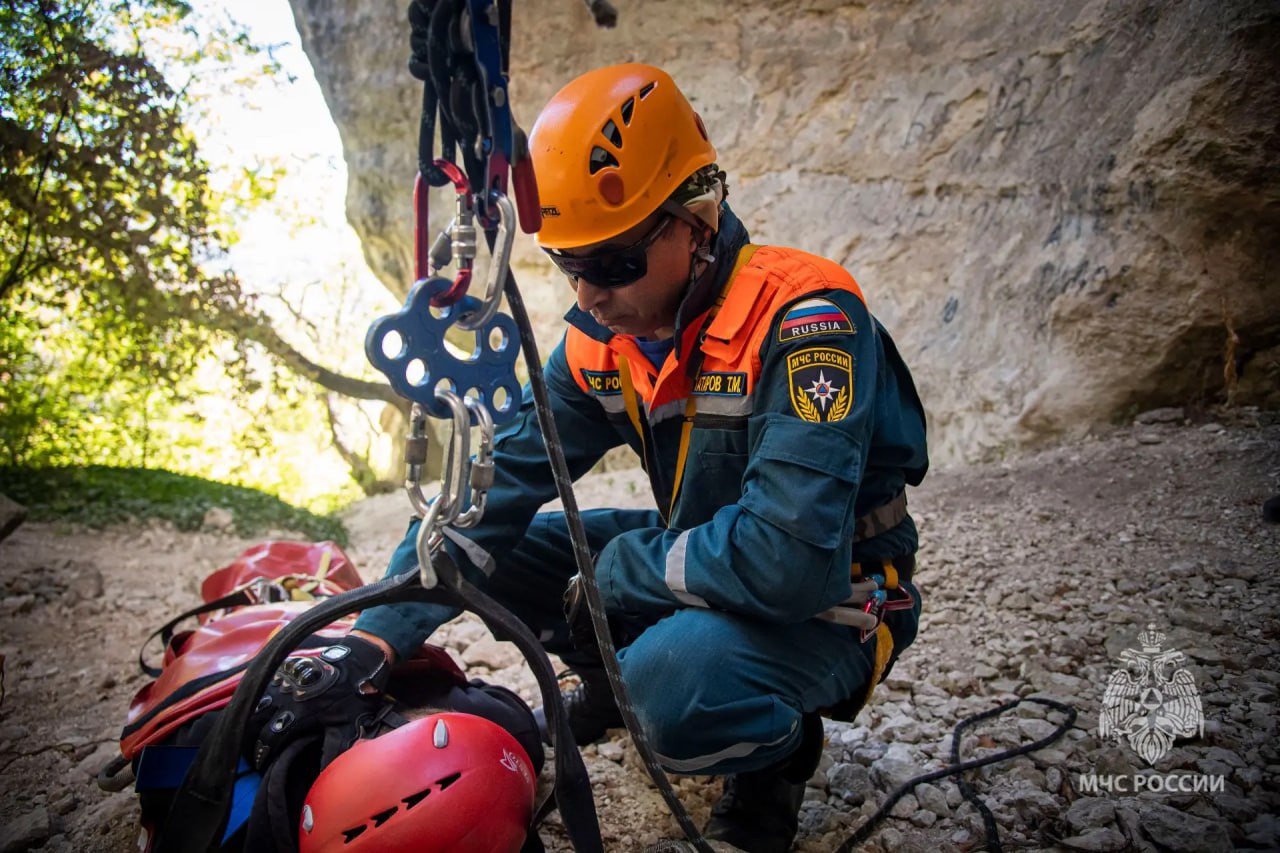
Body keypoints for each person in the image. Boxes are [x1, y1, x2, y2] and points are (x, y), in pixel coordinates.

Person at [317, 63, 926, 853]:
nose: (589, 293)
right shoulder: (605, 339)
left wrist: (624, 571)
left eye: (610, 263)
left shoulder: (807, 322)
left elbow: (787, 560)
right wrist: (373, 633)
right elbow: (488, 495)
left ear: (696, 222)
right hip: (705, 550)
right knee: (499, 557)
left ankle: (777, 757)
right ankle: (610, 684)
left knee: (670, 686)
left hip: (835, 588)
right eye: (569, 264)